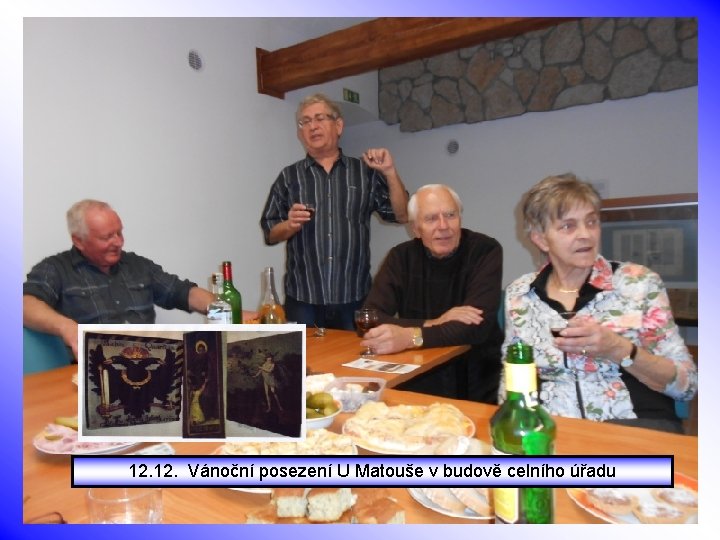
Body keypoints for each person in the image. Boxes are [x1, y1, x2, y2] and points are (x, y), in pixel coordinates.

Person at [504, 173, 697, 432]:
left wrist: (618, 349)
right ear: (540, 239)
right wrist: (511, 427)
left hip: (634, 425)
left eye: (591, 222)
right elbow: (512, 372)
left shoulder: (638, 283)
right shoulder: (520, 293)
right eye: (568, 226)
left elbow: (687, 385)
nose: (585, 234)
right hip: (553, 428)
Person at [260, 93, 409, 330]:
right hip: (303, 299)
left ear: (338, 126)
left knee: (355, 355)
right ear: (300, 133)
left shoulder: (364, 172)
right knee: (304, 355)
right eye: (305, 122)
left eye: (320, 118)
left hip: (354, 298)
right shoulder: (289, 177)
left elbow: (402, 215)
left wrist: (390, 172)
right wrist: (289, 225)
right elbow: (270, 232)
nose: (312, 126)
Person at [360, 184, 504, 403]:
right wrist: (432, 323)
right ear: (416, 229)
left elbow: (476, 327)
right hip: (419, 374)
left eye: (450, 215)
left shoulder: (485, 250)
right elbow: (370, 318)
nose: (443, 226)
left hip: (477, 377)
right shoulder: (400, 257)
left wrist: (410, 336)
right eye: (431, 219)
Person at [23, 199, 216, 358]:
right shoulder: (56, 268)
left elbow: (182, 292)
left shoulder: (137, 265)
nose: (118, 242)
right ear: (78, 241)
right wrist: (66, 327)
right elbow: (25, 305)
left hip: (150, 362)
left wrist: (222, 310)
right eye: (107, 237)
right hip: (92, 370)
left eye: (119, 233)